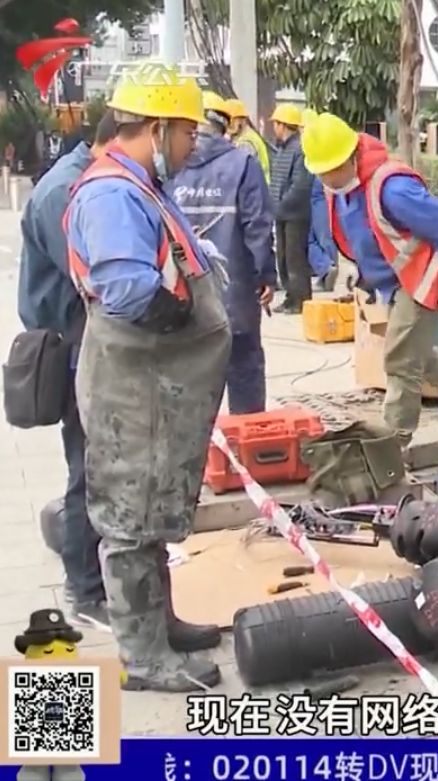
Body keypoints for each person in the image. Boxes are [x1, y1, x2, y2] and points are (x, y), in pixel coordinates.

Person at [65, 65, 230, 691]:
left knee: (153, 509)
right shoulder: (111, 194)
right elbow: (130, 289)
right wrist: (181, 310)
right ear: (157, 129)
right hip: (133, 391)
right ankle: (144, 656)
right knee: (130, 521)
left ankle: (160, 624)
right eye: (187, 133)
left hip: (155, 388)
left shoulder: (139, 185)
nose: (192, 147)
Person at [301, 109, 438, 459]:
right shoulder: (345, 188)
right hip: (396, 283)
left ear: (351, 158)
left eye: (330, 171)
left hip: (423, 278)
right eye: (321, 173)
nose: (326, 180)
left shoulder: (393, 189)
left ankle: (392, 447)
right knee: (419, 356)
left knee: (400, 361)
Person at [17, 113, 119, 629]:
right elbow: (91, 275)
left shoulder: (82, 182)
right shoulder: (67, 192)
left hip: (81, 343)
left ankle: (92, 576)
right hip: (71, 349)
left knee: (94, 468)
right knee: (88, 472)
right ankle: (85, 591)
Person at [166, 92, 276, 414]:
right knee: (245, 375)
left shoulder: (172, 164)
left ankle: (204, 457)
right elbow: (258, 226)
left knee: (193, 389)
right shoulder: (242, 162)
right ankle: (248, 450)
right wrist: (265, 276)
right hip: (235, 296)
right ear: (225, 125)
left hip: (185, 299)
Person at [266, 103, 314, 312]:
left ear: (283, 125)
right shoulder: (282, 149)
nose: (273, 127)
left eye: (275, 123)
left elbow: (300, 185)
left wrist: (281, 205)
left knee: (295, 259)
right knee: (283, 258)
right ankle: (290, 296)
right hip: (281, 213)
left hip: (296, 215)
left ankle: (301, 299)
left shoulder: (299, 150)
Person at [221, 96, 271, 182]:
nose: (227, 124)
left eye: (230, 120)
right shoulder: (243, 137)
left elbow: (237, 171)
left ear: (240, 120)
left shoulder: (246, 142)